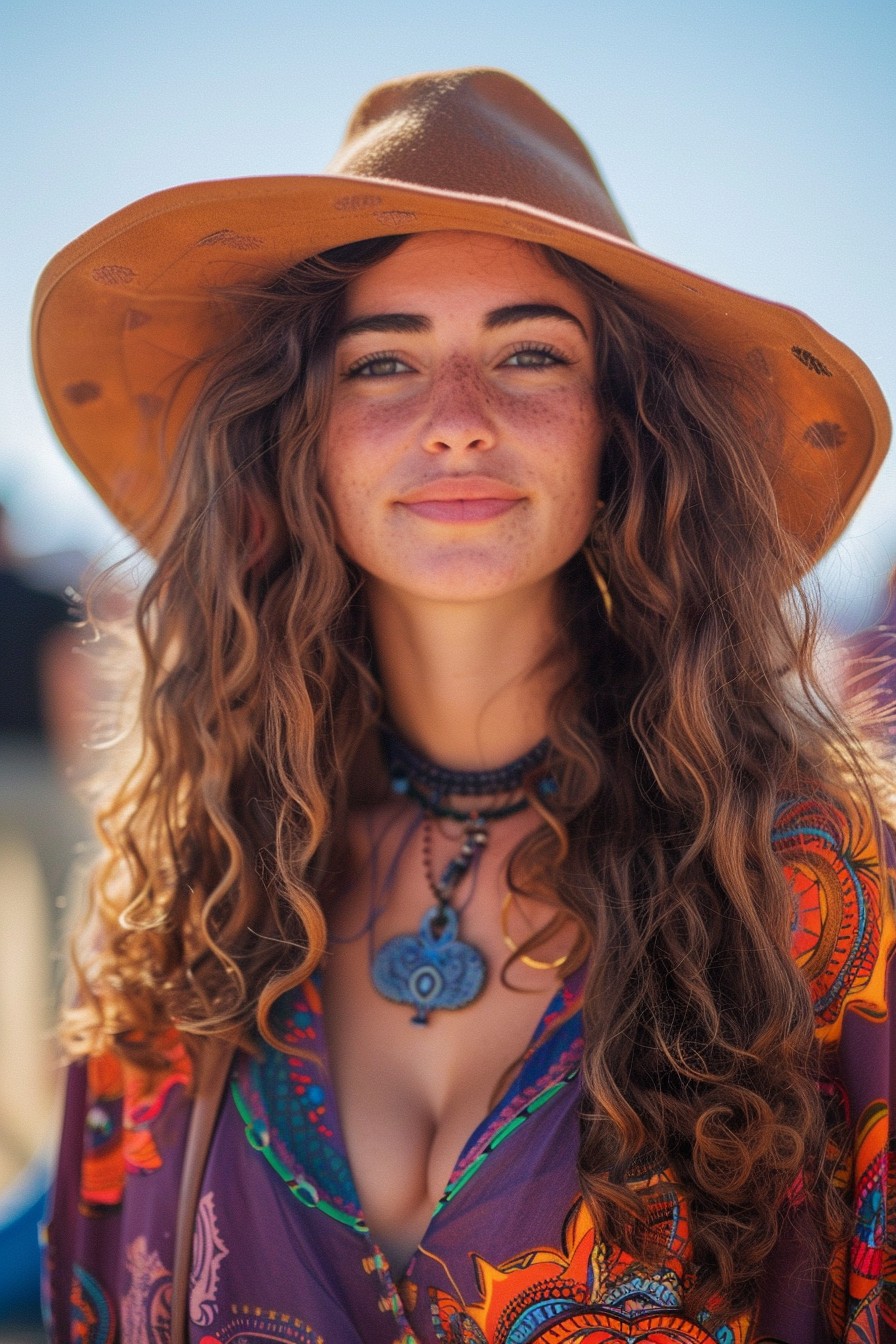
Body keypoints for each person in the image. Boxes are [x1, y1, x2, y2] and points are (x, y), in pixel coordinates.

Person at [32, 68, 894, 1344]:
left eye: (528, 351)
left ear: (622, 428)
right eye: (383, 362)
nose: (455, 422)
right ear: (300, 437)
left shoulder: (808, 884)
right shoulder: (180, 903)